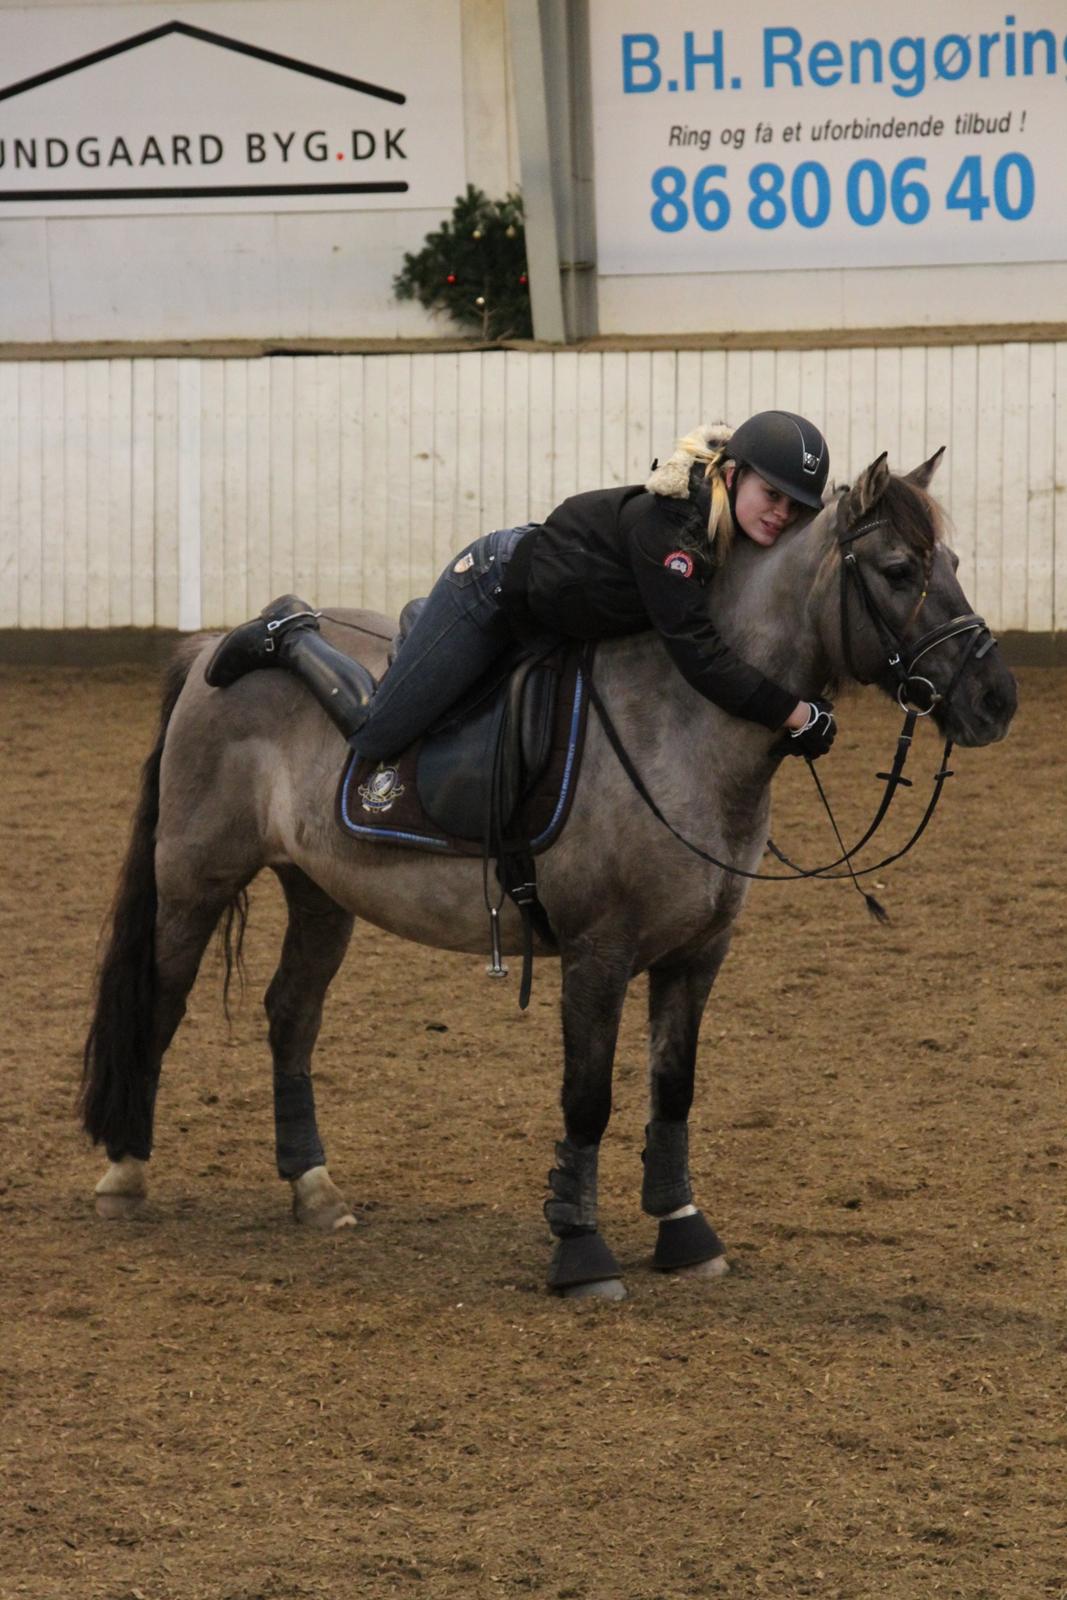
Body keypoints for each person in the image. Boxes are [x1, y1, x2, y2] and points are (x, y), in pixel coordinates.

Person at [205, 410, 837, 763]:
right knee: (374, 735)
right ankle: (292, 635)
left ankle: (422, 626)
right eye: (771, 495)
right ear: (730, 475)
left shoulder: (724, 525)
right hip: (491, 587)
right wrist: (792, 712)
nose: (780, 514)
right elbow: (697, 650)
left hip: (549, 606)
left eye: (793, 507)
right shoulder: (671, 530)